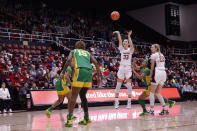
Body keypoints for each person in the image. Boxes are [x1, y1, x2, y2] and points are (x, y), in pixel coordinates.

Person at [61, 41, 101, 127]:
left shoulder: (74, 51)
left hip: (80, 71)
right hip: (89, 73)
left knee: (73, 97)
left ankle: (69, 120)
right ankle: (86, 118)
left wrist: (63, 72)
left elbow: (68, 60)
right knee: (83, 96)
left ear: (76, 46)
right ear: (83, 47)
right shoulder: (87, 53)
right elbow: (96, 64)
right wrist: (99, 77)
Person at [113, 30, 134, 109]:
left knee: (129, 86)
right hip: (121, 68)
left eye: (126, 42)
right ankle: (116, 102)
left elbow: (131, 45)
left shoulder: (130, 50)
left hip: (128, 68)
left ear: (128, 43)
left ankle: (129, 103)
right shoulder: (121, 49)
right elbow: (120, 41)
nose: (124, 42)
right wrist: (118, 33)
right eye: (124, 42)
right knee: (118, 85)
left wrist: (129, 36)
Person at [149, 44, 168, 115]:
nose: (151, 48)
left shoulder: (153, 55)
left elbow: (152, 67)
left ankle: (151, 110)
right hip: (163, 73)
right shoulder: (162, 55)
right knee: (157, 92)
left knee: (152, 92)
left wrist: (151, 75)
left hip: (158, 73)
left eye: (152, 47)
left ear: (156, 48)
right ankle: (165, 109)